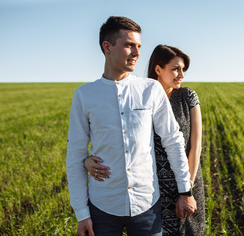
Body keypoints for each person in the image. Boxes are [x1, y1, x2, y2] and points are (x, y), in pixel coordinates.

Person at [66, 16, 196, 236]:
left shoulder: (150, 89)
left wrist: (185, 190)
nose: (137, 53)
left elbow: (173, 140)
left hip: (147, 207)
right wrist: (82, 213)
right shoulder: (84, 95)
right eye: (129, 45)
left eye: (139, 46)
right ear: (107, 47)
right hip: (102, 207)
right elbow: (75, 153)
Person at [84, 45, 206, 235]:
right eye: (175, 69)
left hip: (184, 178)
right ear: (158, 69)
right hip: (150, 187)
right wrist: (86, 160)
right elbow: (121, 138)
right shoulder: (143, 95)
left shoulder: (187, 96)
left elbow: (195, 146)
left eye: (183, 69)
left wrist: (187, 187)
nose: (181, 74)